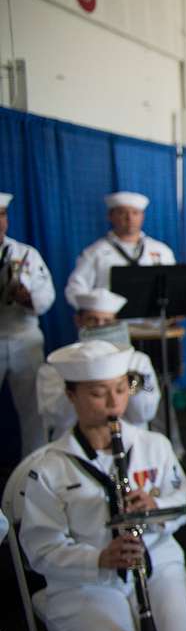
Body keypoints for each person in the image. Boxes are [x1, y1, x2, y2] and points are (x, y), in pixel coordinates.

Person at [20, 340, 186, 631]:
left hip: (157, 564)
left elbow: (181, 500)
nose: (113, 404)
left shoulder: (153, 444)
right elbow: (40, 550)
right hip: (83, 585)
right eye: (97, 393)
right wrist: (99, 558)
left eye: (121, 390)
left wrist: (155, 509)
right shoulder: (48, 467)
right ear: (71, 395)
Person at [37, 289, 160, 439]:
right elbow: (57, 418)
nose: (100, 326)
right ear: (78, 321)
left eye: (107, 321)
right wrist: (82, 380)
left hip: (131, 442)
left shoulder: (138, 361)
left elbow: (143, 414)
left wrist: (131, 385)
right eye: (92, 320)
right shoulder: (56, 366)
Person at [0, 192, 55, 455]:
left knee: (35, 410)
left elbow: (47, 295)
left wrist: (28, 298)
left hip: (25, 338)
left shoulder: (26, 254)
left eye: (2, 215)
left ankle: (34, 468)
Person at [64, 192, 176, 307]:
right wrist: (94, 313)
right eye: (122, 213)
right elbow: (75, 289)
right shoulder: (95, 252)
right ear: (110, 216)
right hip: (111, 321)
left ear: (143, 216)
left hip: (153, 322)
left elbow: (174, 287)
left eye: (135, 213)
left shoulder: (161, 250)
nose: (129, 218)